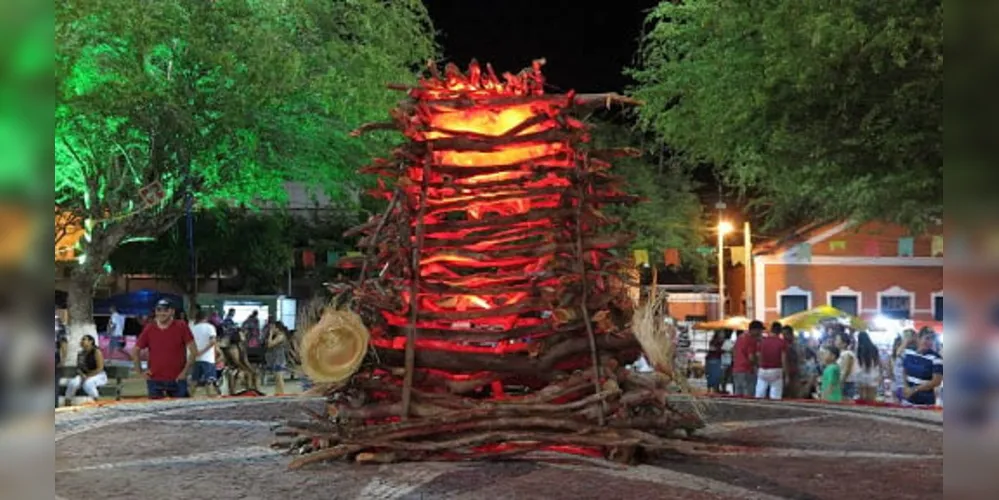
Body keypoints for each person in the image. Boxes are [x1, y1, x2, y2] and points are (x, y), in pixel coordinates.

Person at [132, 299, 198, 399]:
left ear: (172, 311)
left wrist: (184, 372)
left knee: (181, 411)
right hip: (155, 380)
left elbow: (193, 351)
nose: (161, 313)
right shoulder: (150, 328)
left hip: (177, 379)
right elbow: (136, 350)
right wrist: (139, 371)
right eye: (158, 310)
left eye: (165, 310)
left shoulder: (181, 326)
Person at [901, 329, 943, 406]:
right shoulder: (909, 352)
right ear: (919, 338)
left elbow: (936, 381)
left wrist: (914, 389)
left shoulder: (936, 358)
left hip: (925, 401)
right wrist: (906, 386)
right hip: (908, 398)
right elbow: (904, 370)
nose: (929, 342)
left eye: (932, 339)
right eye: (927, 338)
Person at [63, 335, 106, 406]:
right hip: (84, 375)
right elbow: (78, 368)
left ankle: (98, 401)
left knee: (88, 384)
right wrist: (82, 375)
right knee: (73, 383)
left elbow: (100, 368)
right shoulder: (80, 353)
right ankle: (67, 402)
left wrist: (88, 376)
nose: (81, 341)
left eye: (84, 339)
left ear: (91, 341)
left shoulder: (96, 352)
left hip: (98, 375)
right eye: (81, 340)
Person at [190, 310, 220, 397]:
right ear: (206, 318)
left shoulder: (193, 328)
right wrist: (202, 351)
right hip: (208, 358)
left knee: (194, 381)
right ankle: (210, 399)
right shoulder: (210, 327)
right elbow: (212, 341)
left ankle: (188, 398)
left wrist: (196, 353)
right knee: (210, 380)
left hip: (196, 358)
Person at [755, 322, 788, 400]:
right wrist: (786, 374)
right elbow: (783, 359)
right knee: (776, 396)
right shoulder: (782, 342)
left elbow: (758, 356)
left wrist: (759, 367)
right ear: (780, 331)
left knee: (759, 395)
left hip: (763, 370)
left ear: (771, 330)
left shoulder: (762, 341)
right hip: (776, 370)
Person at [732, 321, 764, 397]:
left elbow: (734, 352)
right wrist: (758, 364)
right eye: (760, 330)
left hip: (737, 370)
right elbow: (751, 358)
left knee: (738, 394)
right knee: (748, 395)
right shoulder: (751, 340)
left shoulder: (740, 337)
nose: (761, 333)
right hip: (747, 371)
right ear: (754, 330)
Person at [853, 331, 881, 403]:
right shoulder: (874, 348)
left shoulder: (859, 348)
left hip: (861, 373)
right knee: (872, 398)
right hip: (873, 373)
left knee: (862, 397)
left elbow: (858, 363)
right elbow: (878, 362)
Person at [891, 329, 917, 402]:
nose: (905, 338)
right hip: (899, 384)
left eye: (907, 336)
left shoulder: (913, 351)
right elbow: (898, 354)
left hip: (907, 386)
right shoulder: (902, 350)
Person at [265, 322, 289, 395]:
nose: (272, 329)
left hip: (280, 359)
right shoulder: (278, 336)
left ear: (277, 328)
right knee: (277, 378)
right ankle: (278, 392)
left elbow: (270, 344)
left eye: (273, 328)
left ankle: (281, 393)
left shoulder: (280, 336)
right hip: (276, 359)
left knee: (279, 378)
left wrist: (270, 334)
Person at [781, 326, 803, 399]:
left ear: (791, 334)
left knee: (795, 393)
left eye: (786, 334)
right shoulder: (782, 345)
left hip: (794, 372)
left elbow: (800, 358)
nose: (784, 337)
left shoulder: (797, 345)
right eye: (783, 334)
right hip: (785, 372)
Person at [834, 331, 857, 400]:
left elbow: (846, 370)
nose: (835, 341)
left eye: (837, 340)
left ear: (844, 343)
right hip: (845, 382)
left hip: (846, 383)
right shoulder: (842, 354)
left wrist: (840, 384)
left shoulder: (847, 354)